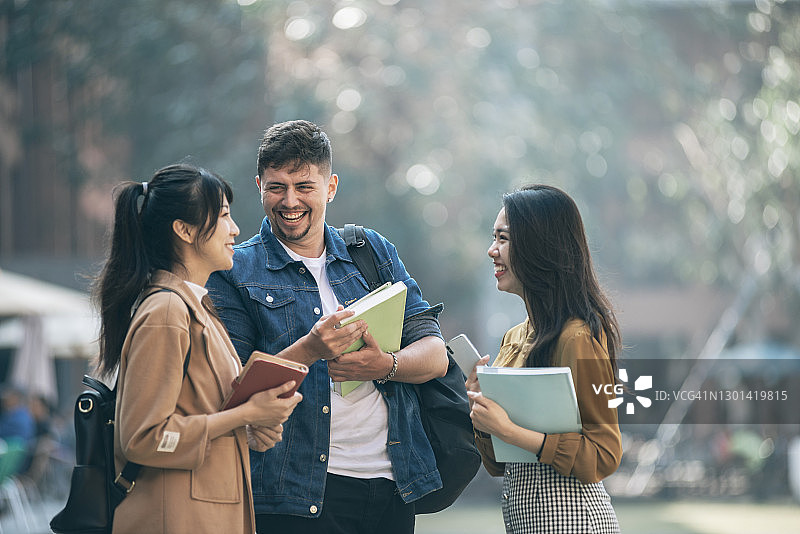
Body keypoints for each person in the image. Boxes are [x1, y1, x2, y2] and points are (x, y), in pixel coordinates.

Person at [206, 120, 448, 534]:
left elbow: (435, 355)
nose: (289, 201)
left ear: (331, 187)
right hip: (292, 494)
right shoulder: (233, 269)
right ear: (258, 185)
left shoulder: (372, 251)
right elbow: (233, 392)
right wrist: (311, 348)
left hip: (392, 484)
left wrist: (384, 365)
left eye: (304, 186)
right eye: (276, 186)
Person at [93, 163, 302, 534]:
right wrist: (243, 416)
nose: (235, 229)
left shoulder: (197, 308)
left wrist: (253, 427)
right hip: (176, 519)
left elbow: (204, 414)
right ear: (185, 230)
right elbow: (143, 438)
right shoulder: (167, 312)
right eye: (223, 215)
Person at [466, 184, 623, 533]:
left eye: (503, 238)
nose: (491, 250)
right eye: (494, 237)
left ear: (540, 246)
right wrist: (482, 414)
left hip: (574, 523)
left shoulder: (578, 337)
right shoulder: (513, 339)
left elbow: (606, 453)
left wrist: (511, 430)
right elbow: (498, 465)